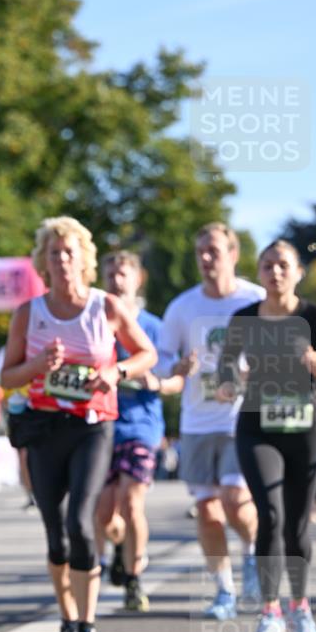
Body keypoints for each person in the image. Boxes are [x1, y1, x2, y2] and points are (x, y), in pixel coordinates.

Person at [0, 217, 157, 632]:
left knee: (81, 521)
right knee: (55, 530)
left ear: (84, 260)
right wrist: (36, 365)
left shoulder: (104, 306)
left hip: (92, 426)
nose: (63, 260)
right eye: (54, 253)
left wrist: (117, 371)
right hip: (45, 427)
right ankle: (67, 622)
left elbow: (147, 353)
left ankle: (88, 629)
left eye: (70, 253)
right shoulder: (29, 313)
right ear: (43, 262)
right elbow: (6, 377)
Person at [217, 240, 316, 632]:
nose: (274, 272)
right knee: (270, 515)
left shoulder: (314, 317)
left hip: (306, 427)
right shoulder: (243, 318)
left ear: (297, 273)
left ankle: (301, 607)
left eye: (283, 265)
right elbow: (225, 368)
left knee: (296, 524)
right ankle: (270, 615)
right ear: (258, 273)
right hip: (257, 427)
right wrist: (228, 383)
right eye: (267, 266)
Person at [159, 223, 265, 620]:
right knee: (207, 510)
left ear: (233, 254)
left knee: (236, 502)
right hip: (197, 421)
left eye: (214, 251)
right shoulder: (183, 307)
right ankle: (223, 589)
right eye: (201, 251)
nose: (206, 258)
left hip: (243, 419)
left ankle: (253, 553)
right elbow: (163, 360)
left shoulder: (255, 299)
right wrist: (178, 368)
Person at [94, 251, 183, 612]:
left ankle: (133, 578)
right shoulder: (94, 319)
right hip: (101, 424)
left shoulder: (155, 327)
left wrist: (156, 382)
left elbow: (177, 379)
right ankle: (119, 547)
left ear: (138, 278)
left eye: (124, 273)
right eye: (111, 273)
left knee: (132, 502)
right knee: (104, 514)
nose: (117, 279)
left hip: (141, 427)